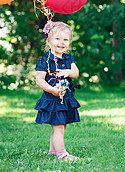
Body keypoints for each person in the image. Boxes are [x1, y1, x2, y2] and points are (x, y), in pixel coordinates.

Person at [35, 21, 81, 160]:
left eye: (65, 40)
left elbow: (76, 73)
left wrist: (68, 71)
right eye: (57, 39)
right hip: (53, 99)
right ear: (49, 40)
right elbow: (39, 80)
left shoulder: (68, 58)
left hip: (65, 98)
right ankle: (62, 155)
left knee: (61, 126)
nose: (61, 43)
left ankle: (53, 151)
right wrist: (51, 90)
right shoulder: (45, 60)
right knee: (58, 127)